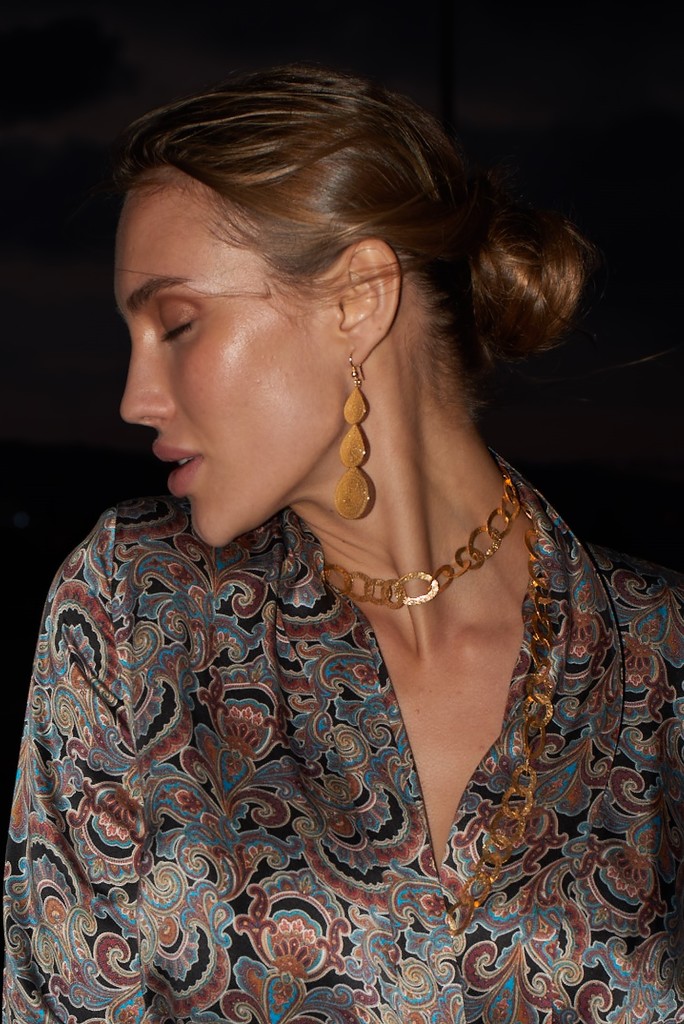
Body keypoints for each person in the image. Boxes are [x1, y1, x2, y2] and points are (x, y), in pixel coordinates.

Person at [3, 64, 683, 1024]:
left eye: (178, 324)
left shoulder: (661, 657)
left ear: (358, 298)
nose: (135, 399)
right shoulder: (134, 606)